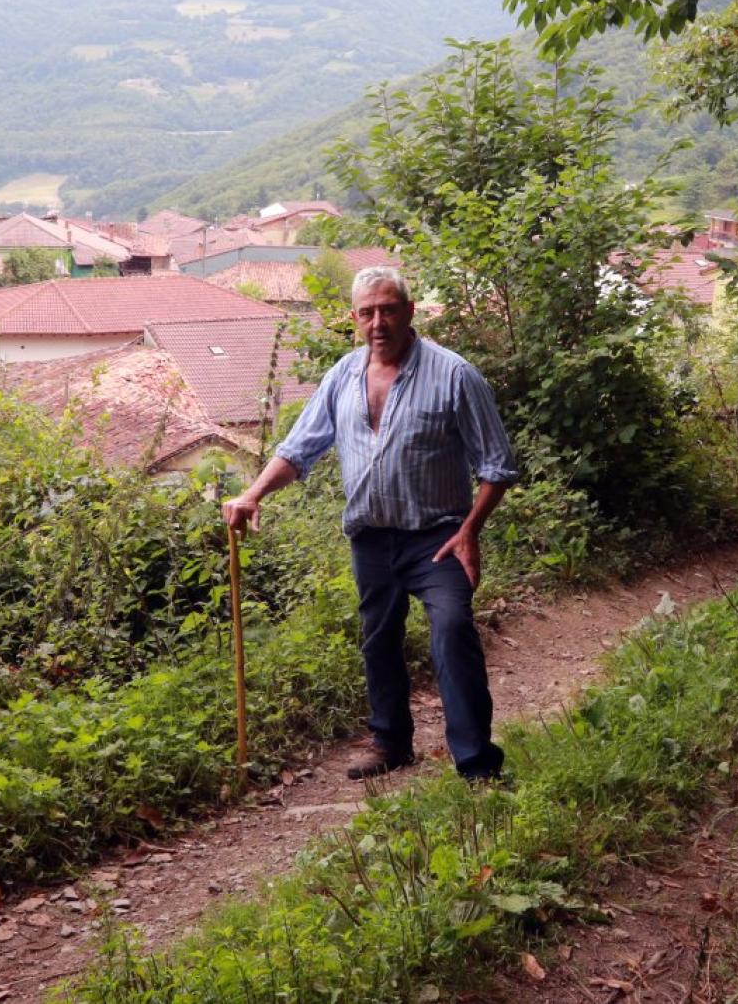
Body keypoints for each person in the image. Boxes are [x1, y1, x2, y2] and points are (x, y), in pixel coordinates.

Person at [223, 265, 520, 781]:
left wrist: (470, 530)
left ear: (408, 311)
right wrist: (252, 493)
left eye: (388, 309)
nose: (378, 322)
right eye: (367, 312)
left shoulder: (454, 375)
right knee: (378, 638)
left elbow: (497, 465)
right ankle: (391, 742)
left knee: (451, 632)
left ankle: (476, 764)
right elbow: (299, 450)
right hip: (370, 537)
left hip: (438, 538)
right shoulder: (342, 376)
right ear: (355, 319)